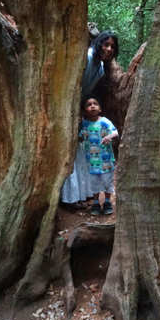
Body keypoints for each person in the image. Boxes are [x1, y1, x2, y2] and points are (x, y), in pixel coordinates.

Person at [61, 31, 119, 208]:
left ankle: (79, 194)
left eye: (112, 47)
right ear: (99, 43)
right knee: (68, 151)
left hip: (76, 110)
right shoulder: (85, 57)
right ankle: (68, 198)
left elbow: (85, 92)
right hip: (64, 107)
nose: (109, 49)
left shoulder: (100, 68)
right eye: (106, 44)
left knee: (79, 150)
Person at [79, 96, 118, 215]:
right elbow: (80, 137)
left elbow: (115, 132)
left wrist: (109, 137)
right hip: (91, 162)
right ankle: (96, 203)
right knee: (94, 183)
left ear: (100, 109)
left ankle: (107, 202)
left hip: (106, 161)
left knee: (107, 182)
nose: (92, 106)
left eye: (95, 104)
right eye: (89, 105)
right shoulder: (84, 124)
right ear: (85, 110)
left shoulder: (105, 121)